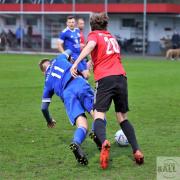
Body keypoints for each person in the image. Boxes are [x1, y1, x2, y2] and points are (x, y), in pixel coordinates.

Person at [70, 12, 144, 169]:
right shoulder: (111, 36)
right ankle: (137, 150)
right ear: (106, 25)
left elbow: (90, 46)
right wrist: (92, 61)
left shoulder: (94, 34)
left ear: (92, 26)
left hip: (105, 78)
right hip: (121, 78)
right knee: (122, 117)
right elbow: (108, 54)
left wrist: (76, 63)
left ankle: (104, 142)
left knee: (98, 114)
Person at [39, 50, 94, 165]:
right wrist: (72, 60)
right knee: (96, 113)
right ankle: (97, 134)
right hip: (78, 83)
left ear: (43, 72)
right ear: (49, 63)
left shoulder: (47, 82)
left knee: (82, 125)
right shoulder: (59, 59)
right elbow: (70, 50)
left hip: (67, 95)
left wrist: (49, 120)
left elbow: (44, 107)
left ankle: (76, 142)